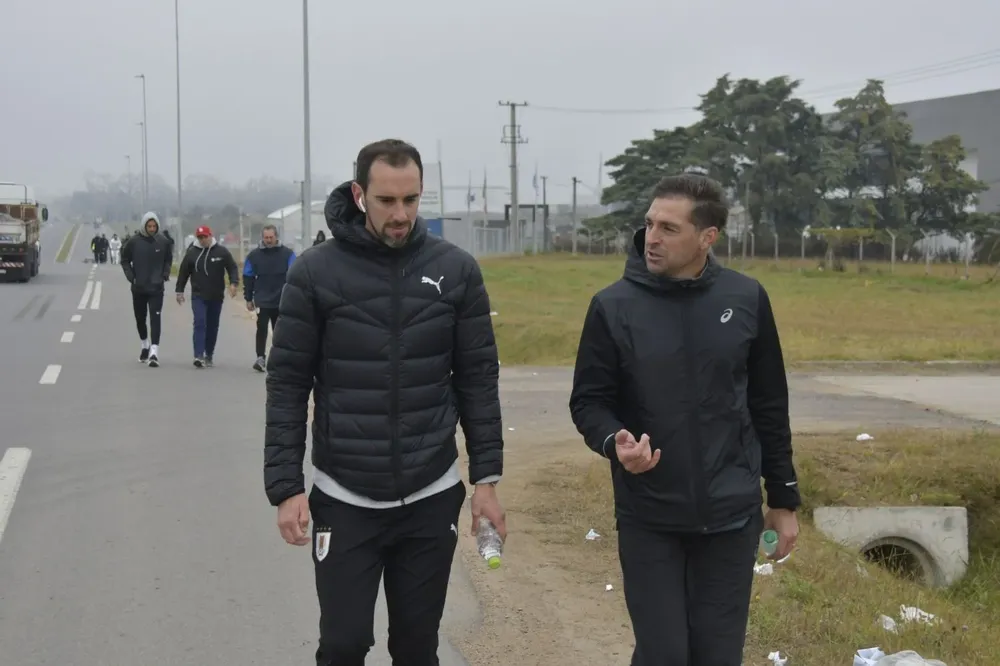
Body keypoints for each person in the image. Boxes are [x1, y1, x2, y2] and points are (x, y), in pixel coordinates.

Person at [264, 138, 506, 665]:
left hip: (431, 492)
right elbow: (287, 384)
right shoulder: (313, 272)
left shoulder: (457, 270)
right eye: (387, 201)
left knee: (417, 648)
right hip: (344, 496)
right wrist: (285, 486)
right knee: (345, 644)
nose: (401, 214)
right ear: (359, 194)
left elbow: (477, 380)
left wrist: (486, 480)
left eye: (412, 200)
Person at [568, 173, 801, 666]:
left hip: (732, 517)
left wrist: (783, 500)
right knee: (665, 654)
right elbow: (589, 401)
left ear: (707, 237)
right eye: (650, 224)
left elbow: (768, 406)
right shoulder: (612, 307)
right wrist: (615, 442)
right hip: (650, 516)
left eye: (669, 229)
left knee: (717, 656)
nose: (652, 237)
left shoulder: (746, 299)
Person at [175, 225, 239, 368]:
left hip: (216, 295)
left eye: (205, 237)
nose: (203, 240)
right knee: (199, 322)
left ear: (210, 235)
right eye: (200, 237)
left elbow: (232, 267)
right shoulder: (192, 253)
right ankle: (198, 355)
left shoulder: (221, 252)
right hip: (198, 295)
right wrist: (179, 291)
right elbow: (183, 273)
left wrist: (234, 283)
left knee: (212, 325)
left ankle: (209, 354)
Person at [121, 212, 173, 367]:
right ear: (144, 226)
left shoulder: (163, 241)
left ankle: (154, 352)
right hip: (139, 287)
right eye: (149, 226)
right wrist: (131, 277)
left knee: (155, 317)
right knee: (140, 319)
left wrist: (165, 273)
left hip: (156, 288)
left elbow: (168, 259)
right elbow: (124, 260)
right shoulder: (134, 242)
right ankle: (145, 344)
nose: (152, 229)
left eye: (154, 226)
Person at [242, 224, 296, 372]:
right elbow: (248, 277)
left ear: (276, 236)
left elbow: (295, 276)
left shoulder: (288, 254)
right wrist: (248, 298)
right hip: (262, 298)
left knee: (280, 331)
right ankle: (260, 357)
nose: (268, 240)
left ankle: (279, 359)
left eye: (271, 237)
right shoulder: (254, 256)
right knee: (262, 329)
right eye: (266, 238)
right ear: (262, 238)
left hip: (282, 299)